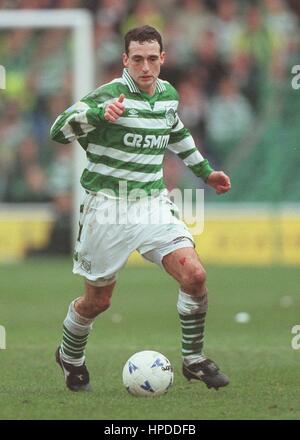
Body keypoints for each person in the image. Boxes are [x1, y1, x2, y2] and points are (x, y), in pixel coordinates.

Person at [50, 25, 231, 392]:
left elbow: (176, 132)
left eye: (152, 59)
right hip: (108, 208)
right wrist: (100, 114)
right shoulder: (108, 96)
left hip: (152, 203)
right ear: (124, 60)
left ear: (162, 59)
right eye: (137, 59)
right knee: (97, 301)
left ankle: (193, 359)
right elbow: (58, 130)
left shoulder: (167, 95)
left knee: (194, 275)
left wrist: (206, 172)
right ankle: (70, 356)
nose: (145, 67)